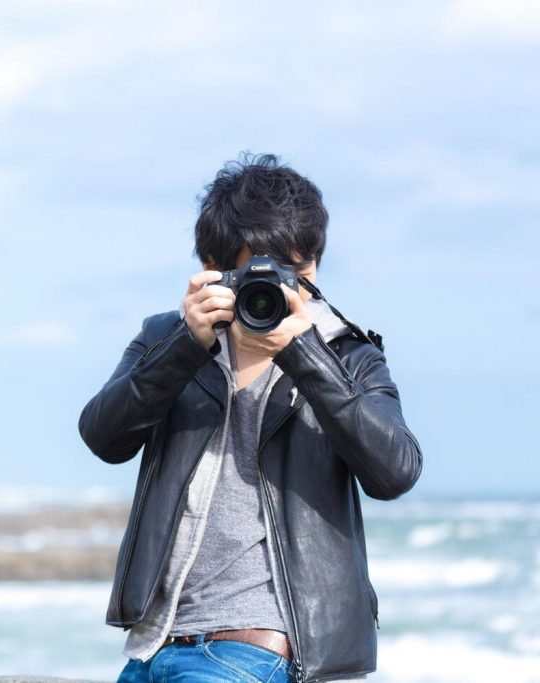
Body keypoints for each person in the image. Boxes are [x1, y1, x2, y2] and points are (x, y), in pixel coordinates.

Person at [77, 153, 423, 683]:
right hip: (153, 646)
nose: (284, 290)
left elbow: (395, 470)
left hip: (258, 649)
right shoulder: (165, 337)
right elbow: (103, 436)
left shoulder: (349, 356)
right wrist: (183, 348)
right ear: (213, 267)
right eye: (258, 273)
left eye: (299, 273)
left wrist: (305, 355)